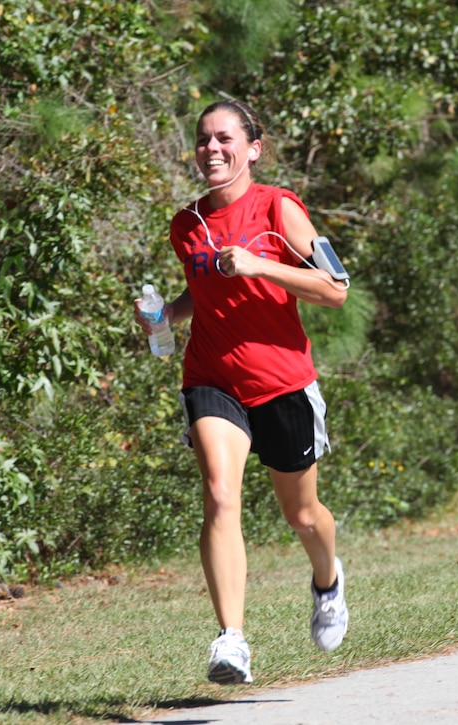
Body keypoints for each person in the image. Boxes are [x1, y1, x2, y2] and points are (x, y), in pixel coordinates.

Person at [134, 99, 350, 685]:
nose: (211, 149)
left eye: (224, 138)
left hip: (282, 382)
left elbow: (334, 290)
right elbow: (198, 297)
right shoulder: (187, 223)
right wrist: (161, 318)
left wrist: (260, 266)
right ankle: (231, 640)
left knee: (301, 514)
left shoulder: (280, 207)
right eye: (202, 140)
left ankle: (328, 581)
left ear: (252, 148)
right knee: (220, 496)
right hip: (212, 378)